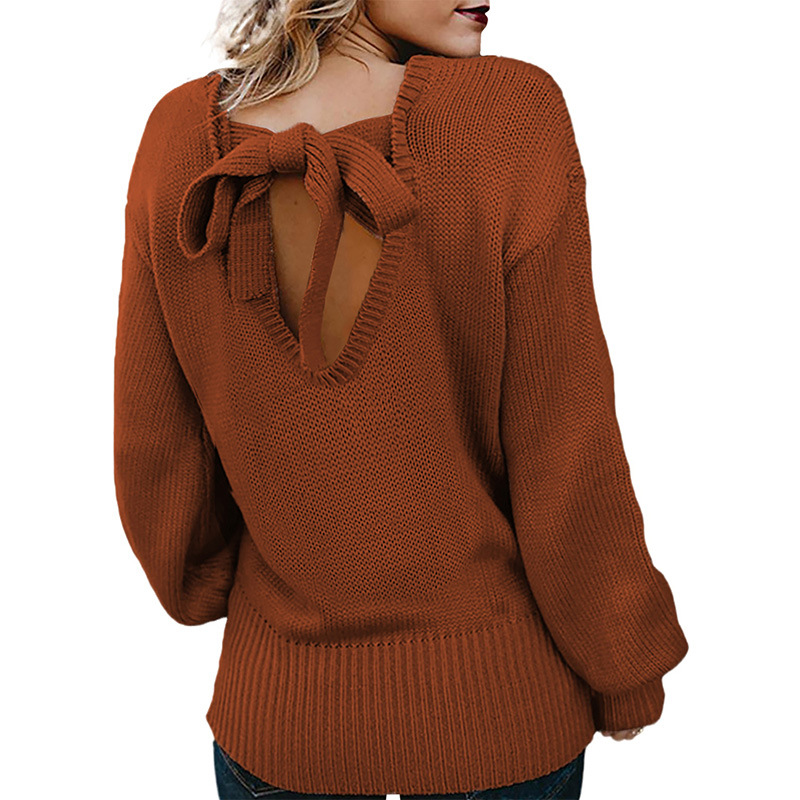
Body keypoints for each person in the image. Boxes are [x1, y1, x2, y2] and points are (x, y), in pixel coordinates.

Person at [113, 1, 690, 798]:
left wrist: (208, 585)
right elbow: (565, 446)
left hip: (280, 721)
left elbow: (157, 447)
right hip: (497, 718)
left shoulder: (177, 136)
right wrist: (623, 663)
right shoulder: (506, 118)